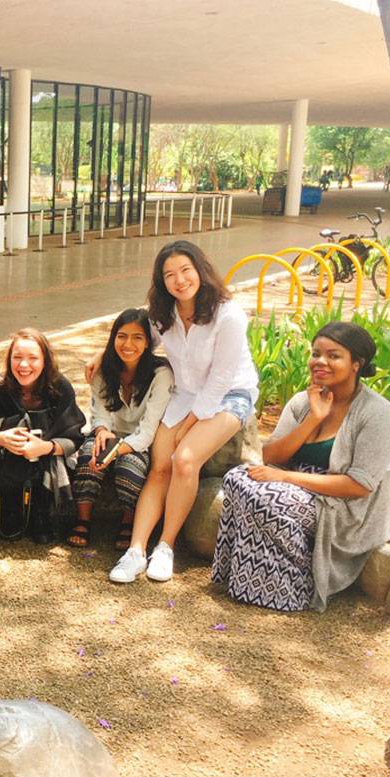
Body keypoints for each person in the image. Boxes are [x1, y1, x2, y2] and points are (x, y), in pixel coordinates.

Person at [213, 322, 390, 612]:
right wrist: (313, 419)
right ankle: (253, 583)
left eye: (333, 355)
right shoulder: (304, 402)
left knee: (262, 496)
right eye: (316, 353)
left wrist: (286, 478)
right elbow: (270, 455)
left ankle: (300, 582)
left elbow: (359, 486)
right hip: (300, 488)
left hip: (344, 507)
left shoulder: (377, 413)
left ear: (356, 364)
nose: (320, 361)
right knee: (236, 478)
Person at [111, 241, 259, 584]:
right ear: (161, 282)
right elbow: (135, 338)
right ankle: (135, 550)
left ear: (200, 270)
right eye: (169, 275)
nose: (179, 280)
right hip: (185, 394)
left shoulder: (228, 315)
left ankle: (165, 546)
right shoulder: (164, 315)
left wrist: (186, 426)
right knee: (159, 466)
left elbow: (221, 379)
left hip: (229, 395)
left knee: (185, 459)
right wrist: (101, 359)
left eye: (185, 271)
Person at [70, 308, 172, 550]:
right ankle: (83, 518)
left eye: (137, 337)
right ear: (113, 338)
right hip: (112, 433)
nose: (128, 344)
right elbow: (99, 412)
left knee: (130, 465)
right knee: (89, 454)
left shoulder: (161, 374)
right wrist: (103, 430)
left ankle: (128, 520)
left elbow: (148, 431)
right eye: (122, 336)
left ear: (148, 342)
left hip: (139, 440)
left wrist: (116, 452)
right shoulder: (103, 369)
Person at [0, 329, 85, 544]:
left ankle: (44, 516)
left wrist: (46, 447)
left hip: (47, 461)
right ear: (9, 359)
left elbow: (74, 437)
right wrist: (1, 438)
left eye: (33, 358)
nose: (24, 365)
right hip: (5, 464)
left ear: (45, 360)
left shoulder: (60, 388)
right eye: (17, 357)